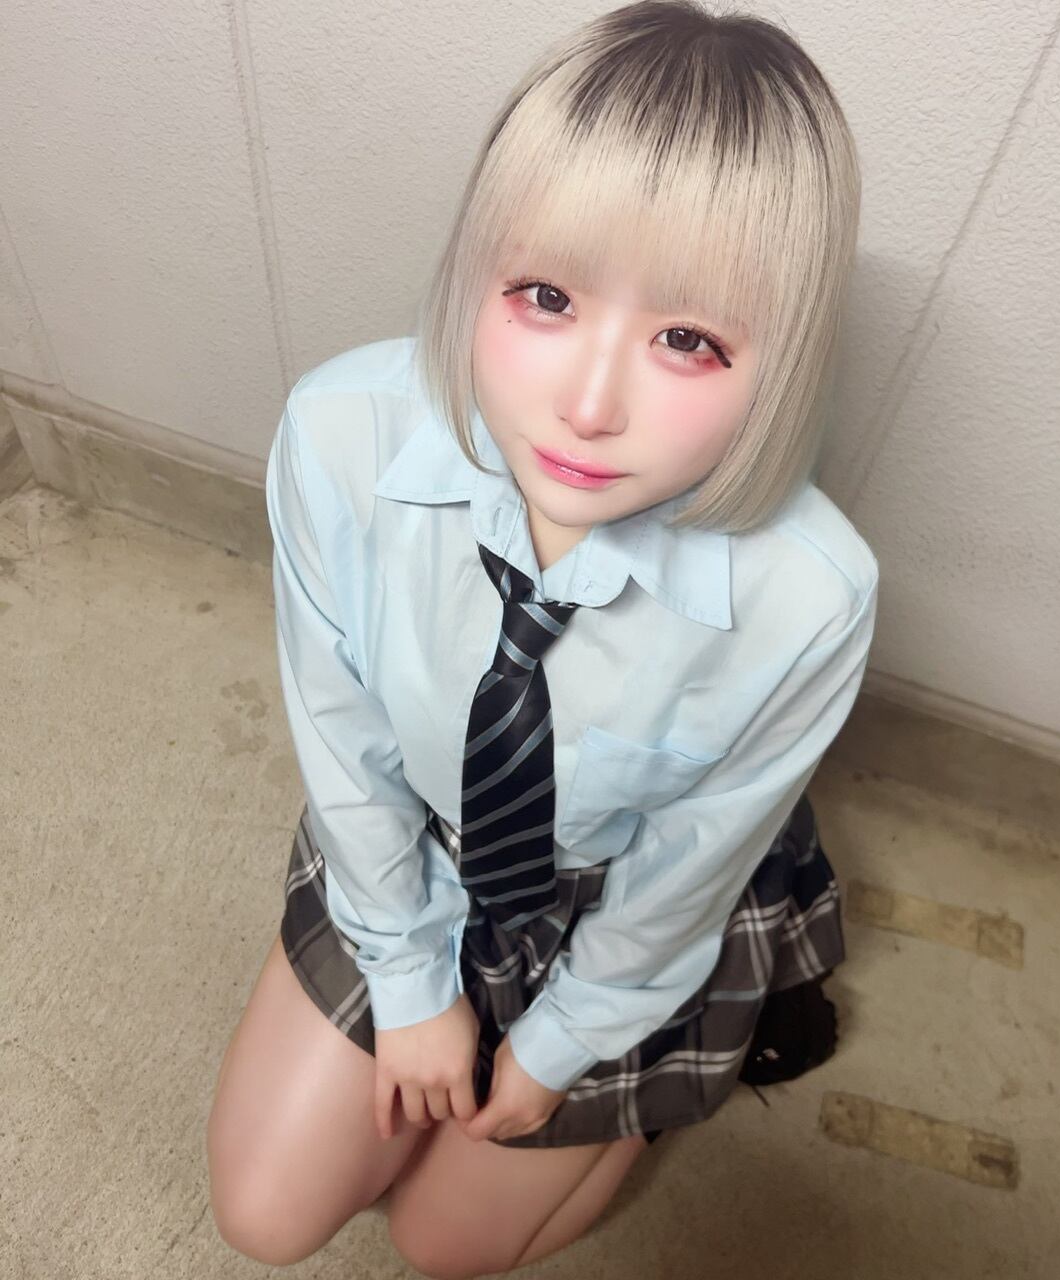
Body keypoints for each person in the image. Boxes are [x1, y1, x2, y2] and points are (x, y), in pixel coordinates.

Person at [206, 2, 878, 1274]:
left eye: (688, 338)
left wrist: (564, 1043)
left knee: (446, 1244)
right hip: (423, 845)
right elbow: (344, 737)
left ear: (784, 358)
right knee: (266, 1211)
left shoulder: (811, 596)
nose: (588, 401)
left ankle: (662, 1087)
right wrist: (411, 984)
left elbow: (686, 868)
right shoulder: (342, 437)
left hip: (621, 899)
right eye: (547, 295)